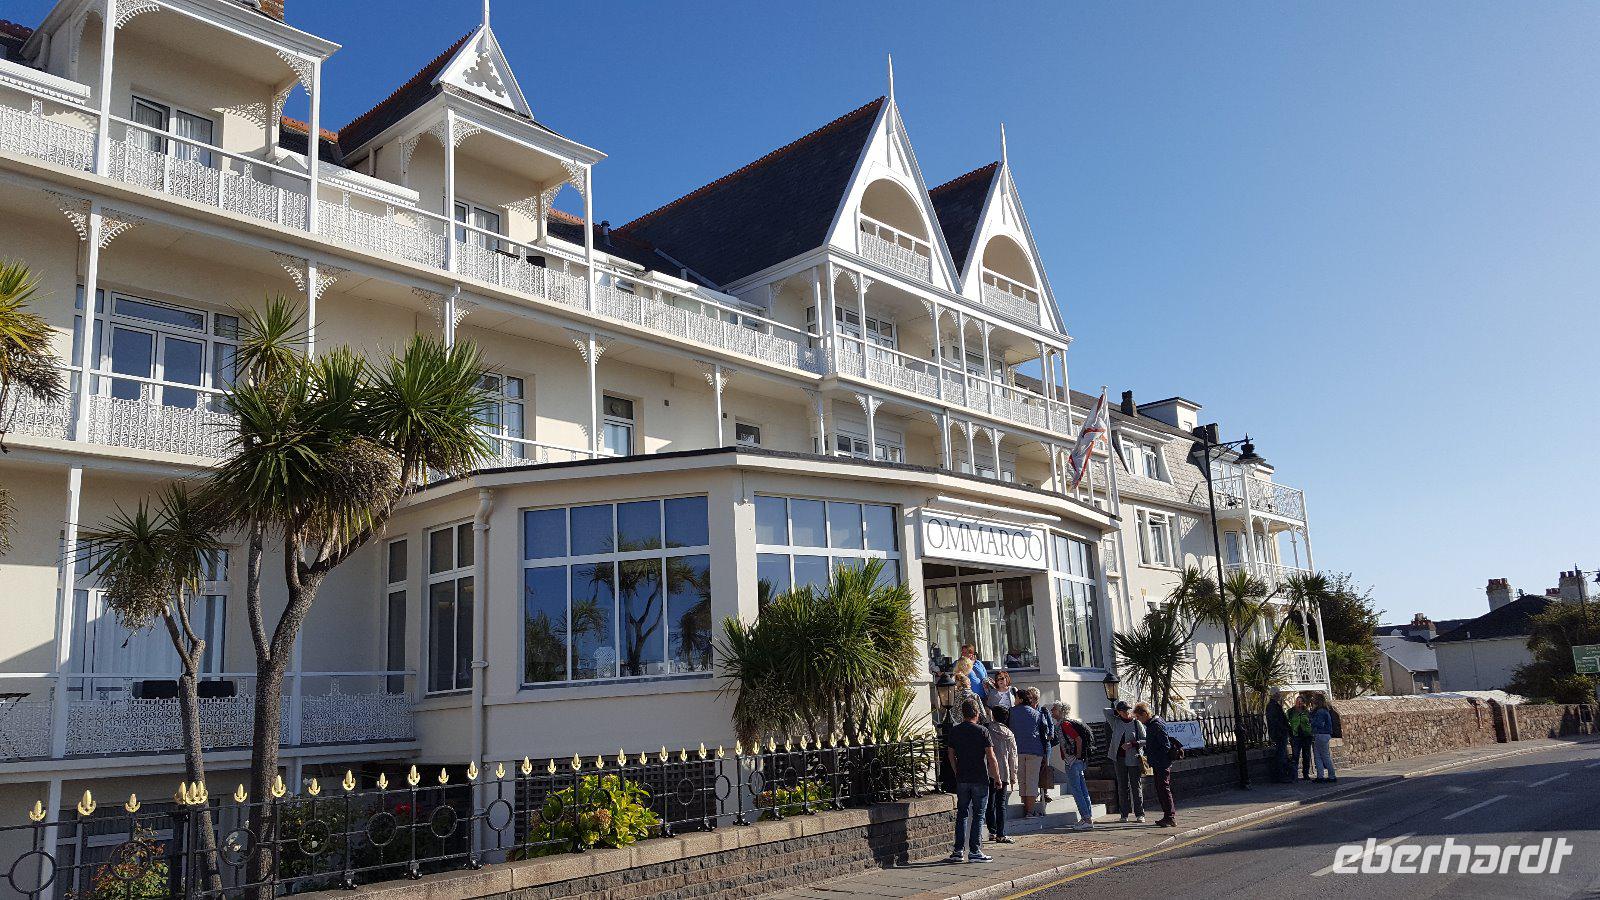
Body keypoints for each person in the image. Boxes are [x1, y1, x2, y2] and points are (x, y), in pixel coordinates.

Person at [945, 697, 1000, 863]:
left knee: (962, 814)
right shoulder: (982, 731)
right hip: (980, 777)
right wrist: (997, 777)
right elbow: (991, 757)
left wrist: (956, 771)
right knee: (978, 814)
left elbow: (950, 754)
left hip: (962, 778)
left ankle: (958, 850)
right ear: (976, 713)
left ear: (963, 713)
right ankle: (975, 850)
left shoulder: (955, 731)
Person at [1050, 701, 1095, 831]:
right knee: (1082, 789)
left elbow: (1078, 739)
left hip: (1072, 762)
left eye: (1054, 709)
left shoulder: (1065, 724)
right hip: (1076, 761)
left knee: (1076, 790)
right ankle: (1088, 818)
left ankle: (1086, 818)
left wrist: (1077, 756)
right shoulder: (1065, 723)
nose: (1052, 711)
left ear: (1061, 711)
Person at [1008, 688, 1051, 818]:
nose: (1014, 700)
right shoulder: (1037, 714)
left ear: (1020, 699)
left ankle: (1026, 808)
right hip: (1035, 750)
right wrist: (1045, 754)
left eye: (1015, 698)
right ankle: (1030, 811)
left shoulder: (1011, 712)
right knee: (1032, 781)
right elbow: (1044, 733)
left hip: (1018, 749)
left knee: (1022, 781)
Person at [1133, 703, 1177, 827]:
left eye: (1138, 716)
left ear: (1144, 714)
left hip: (1161, 763)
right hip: (1159, 763)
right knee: (1161, 789)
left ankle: (1170, 817)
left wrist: (1157, 758)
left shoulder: (1156, 725)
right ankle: (1168, 816)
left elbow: (1165, 745)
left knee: (1164, 789)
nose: (1138, 719)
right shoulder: (1153, 724)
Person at [1107, 700, 1146, 823]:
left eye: (1128, 709)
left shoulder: (1137, 723)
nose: (1127, 712)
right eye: (1124, 710)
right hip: (1118, 759)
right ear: (1119, 712)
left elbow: (1146, 739)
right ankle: (1124, 814)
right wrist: (1117, 711)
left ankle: (1140, 814)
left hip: (1133, 758)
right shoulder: (1115, 722)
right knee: (1122, 787)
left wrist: (1133, 744)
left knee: (1136, 786)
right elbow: (1105, 711)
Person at [983, 707, 1019, 844]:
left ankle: (992, 831)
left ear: (993, 716)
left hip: (988, 770)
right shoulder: (1009, 734)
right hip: (1003, 771)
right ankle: (1001, 834)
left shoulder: (987, 729)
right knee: (1001, 803)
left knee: (989, 802)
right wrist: (1013, 775)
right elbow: (1013, 756)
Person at [1309, 693, 1337, 783]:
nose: (1312, 700)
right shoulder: (1324, 710)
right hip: (1323, 734)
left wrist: (1311, 721)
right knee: (1318, 756)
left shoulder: (1320, 711)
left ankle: (1331, 776)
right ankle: (1320, 776)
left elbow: (1319, 724)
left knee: (1324, 756)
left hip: (1321, 734)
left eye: (1314, 699)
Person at [1266, 689, 1291, 783]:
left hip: (1280, 733)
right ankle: (1281, 776)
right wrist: (1284, 729)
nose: (1280, 694)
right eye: (1278, 693)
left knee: (1283, 754)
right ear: (1274, 694)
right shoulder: (1272, 706)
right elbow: (1275, 721)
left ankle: (1283, 775)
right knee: (1281, 755)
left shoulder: (1274, 705)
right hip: (1279, 734)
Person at [1288, 694, 1313, 780]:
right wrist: (1290, 734)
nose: (1299, 703)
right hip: (1296, 736)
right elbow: (1287, 723)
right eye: (1297, 701)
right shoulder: (1291, 711)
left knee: (1306, 755)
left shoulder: (1307, 712)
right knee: (1295, 756)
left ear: (1303, 703)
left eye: (1301, 701)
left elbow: (1310, 721)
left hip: (1306, 736)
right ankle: (1294, 775)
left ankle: (1305, 774)